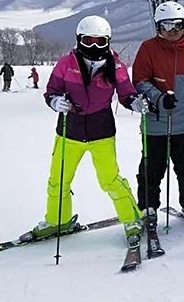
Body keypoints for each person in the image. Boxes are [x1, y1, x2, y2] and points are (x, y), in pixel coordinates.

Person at [24, 16, 150, 247]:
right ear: (79, 40)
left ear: (108, 42)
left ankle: (132, 218)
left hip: (101, 130)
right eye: (88, 41)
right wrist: (55, 102)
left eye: (100, 41)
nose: (94, 46)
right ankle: (58, 219)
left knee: (109, 180)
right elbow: (51, 90)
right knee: (58, 180)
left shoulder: (116, 66)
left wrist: (134, 102)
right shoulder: (66, 63)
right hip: (69, 131)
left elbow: (125, 92)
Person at [131, 1, 184, 233]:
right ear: (158, 27)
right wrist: (158, 98)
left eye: (177, 26)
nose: (172, 31)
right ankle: (148, 207)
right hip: (156, 124)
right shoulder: (149, 48)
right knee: (151, 168)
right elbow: (140, 80)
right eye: (166, 26)